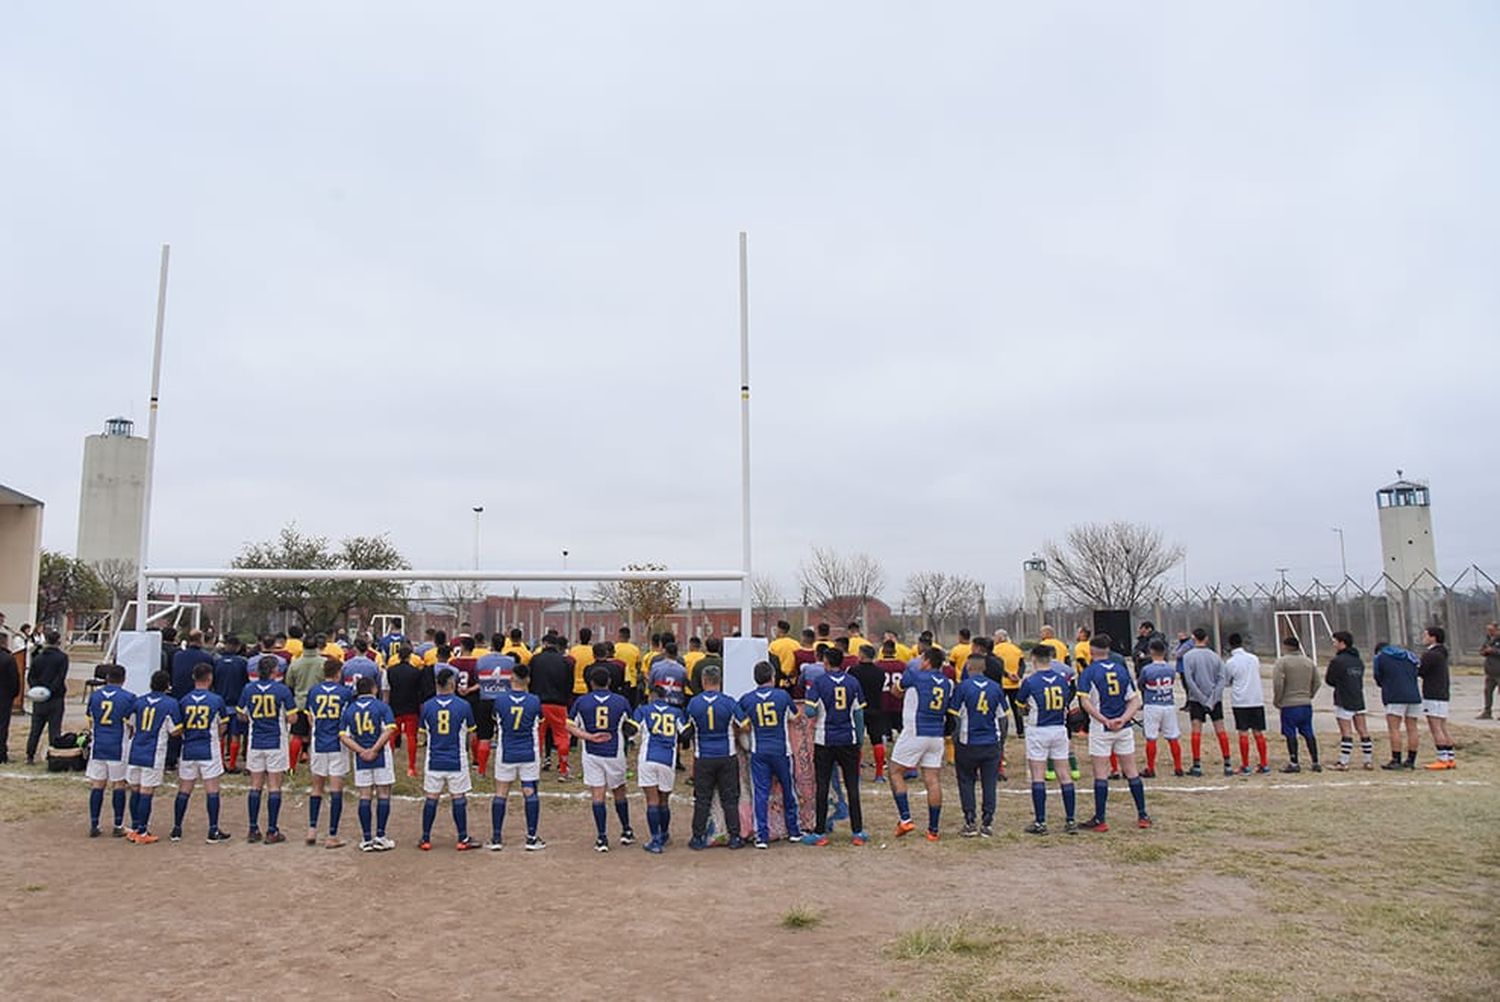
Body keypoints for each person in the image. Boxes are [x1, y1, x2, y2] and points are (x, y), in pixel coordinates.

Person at [1077, 635, 1149, 831]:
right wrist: (1124, 719)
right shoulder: (1121, 670)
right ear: (1109, 650)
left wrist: (1104, 720)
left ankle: (1100, 819)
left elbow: (1085, 703)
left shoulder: (1089, 672)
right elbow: (1135, 700)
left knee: (1101, 773)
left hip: (1102, 728)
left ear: (1091, 651)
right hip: (1123, 728)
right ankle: (1142, 814)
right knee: (1131, 770)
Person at [802, 647, 867, 846]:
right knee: (852, 785)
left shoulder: (820, 683)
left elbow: (810, 711)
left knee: (822, 785)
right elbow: (858, 713)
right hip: (848, 739)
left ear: (826, 662)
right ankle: (858, 832)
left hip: (825, 739)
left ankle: (820, 832)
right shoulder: (853, 682)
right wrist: (859, 739)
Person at [888, 646, 953, 841]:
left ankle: (905, 818)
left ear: (926, 661)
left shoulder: (916, 675)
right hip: (936, 734)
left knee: (895, 771)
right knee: (932, 779)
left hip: (916, 730)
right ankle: (933, 830)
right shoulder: (947, 682)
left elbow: (896, 691)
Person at [568, 666, 635, 851]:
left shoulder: (582, 702)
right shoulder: (621, 701)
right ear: (609, 682)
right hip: (615, 752)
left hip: (591, 752)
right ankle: (626, 830)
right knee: (619, 790)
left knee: (598, 794)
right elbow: (631, 726)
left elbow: (569, 725)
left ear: (591, 683)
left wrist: (588, 736)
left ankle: (602, 837)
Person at [738, 661, 805, 848]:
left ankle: (762, 836)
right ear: (772, 677)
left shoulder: (747, 699)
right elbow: (795, 717)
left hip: (759, 751)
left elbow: (740, 722)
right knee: (788, 789)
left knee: (760, 793)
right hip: (782, 751)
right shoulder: (782, 696)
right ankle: (793, 830)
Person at [1017, 645, 1078, 835]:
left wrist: (1028, 709)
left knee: (1038, 775)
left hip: (1039, 730)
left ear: (1033, 659)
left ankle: (1041, 822)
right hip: (1059, 728)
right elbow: (1067, 701)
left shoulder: (1030, 681)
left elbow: (1020, 705)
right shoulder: (1062, 680)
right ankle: (1070, 820)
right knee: (1064, 774)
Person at [685, 664, 746, 850]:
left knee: (702, 799)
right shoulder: (728, 702)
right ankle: (734, 836)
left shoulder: (694, 703)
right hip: (727, 755)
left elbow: (688, 729)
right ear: (720, 681)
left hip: (703, 757)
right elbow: (744, 724)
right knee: (730, 798)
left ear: (704, 682)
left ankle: (697, 837)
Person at [238, 655, 296, 843]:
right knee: (274, 786)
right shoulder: (282, 690)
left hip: (255, 741)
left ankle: (253, 828)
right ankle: (272, 829)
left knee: (255, 785)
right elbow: (292, 717)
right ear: (274, 671)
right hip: (276, 742)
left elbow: (241, 714)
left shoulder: (249, 689)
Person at [419, 667, 478, 850]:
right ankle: (462, 838)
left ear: (437, 684)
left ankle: (426, 838)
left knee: (431, 797)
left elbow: (423, 735)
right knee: (458, 797)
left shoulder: (427, 706)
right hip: (456, 759)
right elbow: (472, 734)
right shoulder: (463, 705)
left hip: (434, 758)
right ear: (452, 683)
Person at [172, 662, 232, 843]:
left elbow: (179, 727)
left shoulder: (184, 700)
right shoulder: (216, 700)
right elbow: (223, 725)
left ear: (193, 678)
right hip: (208, 747)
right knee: (212, 789)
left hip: (189, 748)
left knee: (184, 789)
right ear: (210, 678)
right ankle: (213, 829)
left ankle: (177, 828)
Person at [488, 664, 545, 852]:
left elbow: (496, 719)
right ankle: (531, 837)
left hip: (507, 752)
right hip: (529, 752)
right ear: (527, 680)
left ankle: (496, 837)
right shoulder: (534, 700)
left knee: (501, 792)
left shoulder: (500, 701)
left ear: (511, 678)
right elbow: (540, 720)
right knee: (529, 791)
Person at [949, 650, 1006, 837]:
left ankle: (970, 820)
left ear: (968, 667)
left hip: (968, 742)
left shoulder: (963, 688)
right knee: (989, 783)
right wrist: (1001, 742)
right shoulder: (996, 688)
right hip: (990, 742)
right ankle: (988, 821)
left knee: (966, 781)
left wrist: (955, 740)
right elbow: (1003, 718)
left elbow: (955, 717)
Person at [338, 676, 397, 852]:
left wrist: (361, 751)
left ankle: (366, 838)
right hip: (381, 756)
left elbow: (343, 735)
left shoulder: (350, 709)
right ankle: (380, 836)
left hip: (361, 758)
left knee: (365, 796)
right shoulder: (381, 707)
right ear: (374, 689)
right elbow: (389, 729)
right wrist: (375, 749)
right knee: (383, 793)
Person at [123, 670, 183, 844]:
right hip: (153, 751)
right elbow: (175, 730)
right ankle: (142, 831)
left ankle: (135, 827)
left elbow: (129, 722)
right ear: (167, 686)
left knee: (135, 789)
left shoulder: (139, 701)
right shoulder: (170, 704)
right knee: (146, 791)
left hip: (135, 749)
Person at [633, 684, 689, 854]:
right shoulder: (676, 712)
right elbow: (686, 734)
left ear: (651, 695)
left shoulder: (644, 710)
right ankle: (664, 834)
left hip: (648, 758)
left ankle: (655, 840)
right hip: (667, 759)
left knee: (651, 800)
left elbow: (632, 731)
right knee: (664, 800)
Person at [304, 659, 354, 847]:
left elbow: (310, 717)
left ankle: (312, 829)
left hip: (318, 743)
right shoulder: (345, 693)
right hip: (337, 743)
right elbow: (347, 718)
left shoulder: (313, 691)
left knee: (316, 787)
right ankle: (332, 834)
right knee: (335, 790)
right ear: (338, 673)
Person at [84, 664, 134, 838]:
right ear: (124, 679)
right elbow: (131, 723)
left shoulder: (95, 696)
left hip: (99, 745)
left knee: (98, 784)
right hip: (117, 745)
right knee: (118, 784)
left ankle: (94, 823)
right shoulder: (128, 698)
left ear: (106, 679)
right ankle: (118, 824)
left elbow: (90, 720)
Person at [1182, 628, 1232, 777]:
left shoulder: (1188, 656)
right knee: (1220, 729)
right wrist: (1213, 697)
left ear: (1193, 638)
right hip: (1214, 699)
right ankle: (1227, 762)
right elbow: (1222, 678)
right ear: (1207, 638)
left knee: (1196, 730)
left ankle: (1197, 764)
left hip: (1196, 699)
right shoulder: (1215, 656)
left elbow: (1189, 680)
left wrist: (1201, 698)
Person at [1271, 636, 1322, 773]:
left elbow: (1278, 683)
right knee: (1308, 732)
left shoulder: (1282, 662)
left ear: (1285, 646)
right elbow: (1317, 681)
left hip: (1289, 704)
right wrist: (1309, 694)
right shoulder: (1309, 662)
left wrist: (1278, 700)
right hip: (1305, 704)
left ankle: (1294, 761)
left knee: (1290, 733)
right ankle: (1315, 761)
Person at [1326, 631, 1373, 770]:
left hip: (1344, 698)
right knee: (1363, 730)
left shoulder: (1337, 661)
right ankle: (1368, 760)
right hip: (1358, 697)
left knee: (1346, 731)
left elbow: (1330, 680)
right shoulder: (1358, 660)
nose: (1333, 644)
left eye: (1335, 642)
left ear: (1342, 643)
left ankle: (1343, 761)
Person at [529, 635, 574, 780]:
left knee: (538, 737)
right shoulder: (565, 661)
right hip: (558, 703)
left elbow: (530, 681)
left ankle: (534, 768)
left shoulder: (535, 660)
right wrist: (565, 699)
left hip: (539, 703)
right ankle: (563, 768)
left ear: (544, 644)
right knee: (561, 736)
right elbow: (569, 684)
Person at [1371, 640, 1421, 770]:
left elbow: (1378, 676)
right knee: (1412, 728)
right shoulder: (1409, 655)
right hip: (1413, 694)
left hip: (1394, 695)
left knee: (1394, 728)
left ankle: (1396, 758)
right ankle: (1411, 759)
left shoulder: (1381, 657)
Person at [1224, 634, 1270, 775]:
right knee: (1258, 732)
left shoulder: (1231, 662)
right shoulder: (1253, 658)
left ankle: (1245, 765)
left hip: (1240, 700)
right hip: (1256, 699)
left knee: (1243, 732)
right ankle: (1264, 763)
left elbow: (1227, 681)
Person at [1139, 639, 1184, 777]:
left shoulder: (1147, 669)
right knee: (1172, 737)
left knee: (1151, 737)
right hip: (1168, 704)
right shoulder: (1170, 669)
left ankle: (1151, 768)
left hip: (1152, 704)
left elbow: (1141, 684)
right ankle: (1178, 767)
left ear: (1151, 651)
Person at [25, 628, 68, 765]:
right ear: (58, 641)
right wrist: (50, 690)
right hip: (56, 698)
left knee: (35, 729)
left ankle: (30, 755)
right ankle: (54, 756)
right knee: (54, 729)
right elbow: (60, 677)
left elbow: (31, 677)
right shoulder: (62, 658)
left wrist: (38, 690)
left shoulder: (38, 657)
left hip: (39, 699)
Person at [385, 642, 428, 778]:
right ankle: (411, 767)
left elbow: (386, 690)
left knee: (392, 736)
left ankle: (389, 765)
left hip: (395, 706)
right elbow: (420, 692)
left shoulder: (390, 671)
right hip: (411, 707)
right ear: (410, 656)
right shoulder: (416, 672)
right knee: (411, 737)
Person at [850, 644, 891, 783]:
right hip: (876, 708)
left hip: (859, 708)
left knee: (857, 742)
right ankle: (879, 774)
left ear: (861, 655)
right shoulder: (880, 672)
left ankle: (857, 775)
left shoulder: (853, 671)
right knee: (877, 741)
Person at [285, 635, 326, 772]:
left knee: (296, 735)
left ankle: (291, 766)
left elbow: (289, 683)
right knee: (318, 734)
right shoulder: (324, 663)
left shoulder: (295, 664)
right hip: (320, 703)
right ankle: (317, 766)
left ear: (303, 647)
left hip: (300, 702)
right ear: (317, 647)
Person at [1418, 626, 1454, 770]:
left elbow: (1420, 671)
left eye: (1426, 635)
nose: (1424, 637)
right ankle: (1450, 757)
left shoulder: (1431, 654)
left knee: (1436, 727)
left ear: (1433, 637)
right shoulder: (1441, 653)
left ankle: (1442, 758)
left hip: (1433, 694)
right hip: (1442, 693)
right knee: (1442, 726)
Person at [213, 636, 250, 772]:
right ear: (238, 647)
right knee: (235, 735)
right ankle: (233, 763)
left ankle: (221, 762)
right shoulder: (242, 663)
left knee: (221, 734)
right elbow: (246, 682)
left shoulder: (217, 662)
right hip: (236, 703)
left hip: (220, 701)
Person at [992, 629, 1026, 737]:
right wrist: (1018, 676)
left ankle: (1001, 731)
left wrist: (1007, 675)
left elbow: (997, 666)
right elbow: (1022, 665)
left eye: (995, 637)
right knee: (1017, 709)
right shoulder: (1016, 649)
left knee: (1000, 709)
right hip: (1015, 684)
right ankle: (1020, 731)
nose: (994, 639)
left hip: (1001, 683)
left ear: (1000, 638)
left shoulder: (995, 650)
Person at [0, 635, 18, 763]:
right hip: (4, 697)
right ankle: (1, 754)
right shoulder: (8, 659)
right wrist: (13, 694)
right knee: (2, 727)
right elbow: (14, 680)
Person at [767, 620, 798, 689]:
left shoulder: (773, 645)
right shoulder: (796, 644)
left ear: (779, 630)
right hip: (794, 681)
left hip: (780, 682)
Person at [1480, 623, 1500, 720]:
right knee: (1487, 692)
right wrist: (1484, 651)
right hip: (1490, 671)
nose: (1490, 633)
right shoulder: (1488, 639)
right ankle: (1487, 712)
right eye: (1488, 630)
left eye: (1492, 630)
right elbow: (1482, 650)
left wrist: (1493, 651)